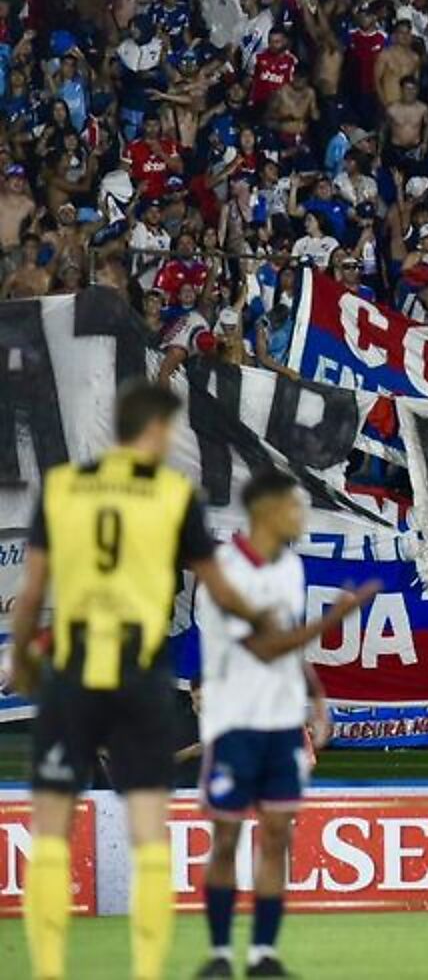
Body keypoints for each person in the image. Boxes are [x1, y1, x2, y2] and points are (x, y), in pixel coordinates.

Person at [9, 381, 276, 980]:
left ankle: (47, 968)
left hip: (73, 672)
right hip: (141, 675)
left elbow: (32, 593)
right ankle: (149, 969)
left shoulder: (63, 488)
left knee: (51, 828)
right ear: (154, 430)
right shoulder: (171, 494)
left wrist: (23, 658)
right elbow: (219, 586)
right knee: (150, 827)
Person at [195, 471, 378, 979]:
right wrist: (334, 618)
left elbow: (287, 644)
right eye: (294, 507)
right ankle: (219, 954)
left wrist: (317, 698)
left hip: (281, 725)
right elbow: (263, 646)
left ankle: (263, 955)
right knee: (227, 838)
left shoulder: (291, 567)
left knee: (277, 836)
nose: (301, 516)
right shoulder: (225, 573)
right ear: (265, 510)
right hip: (235, 723)